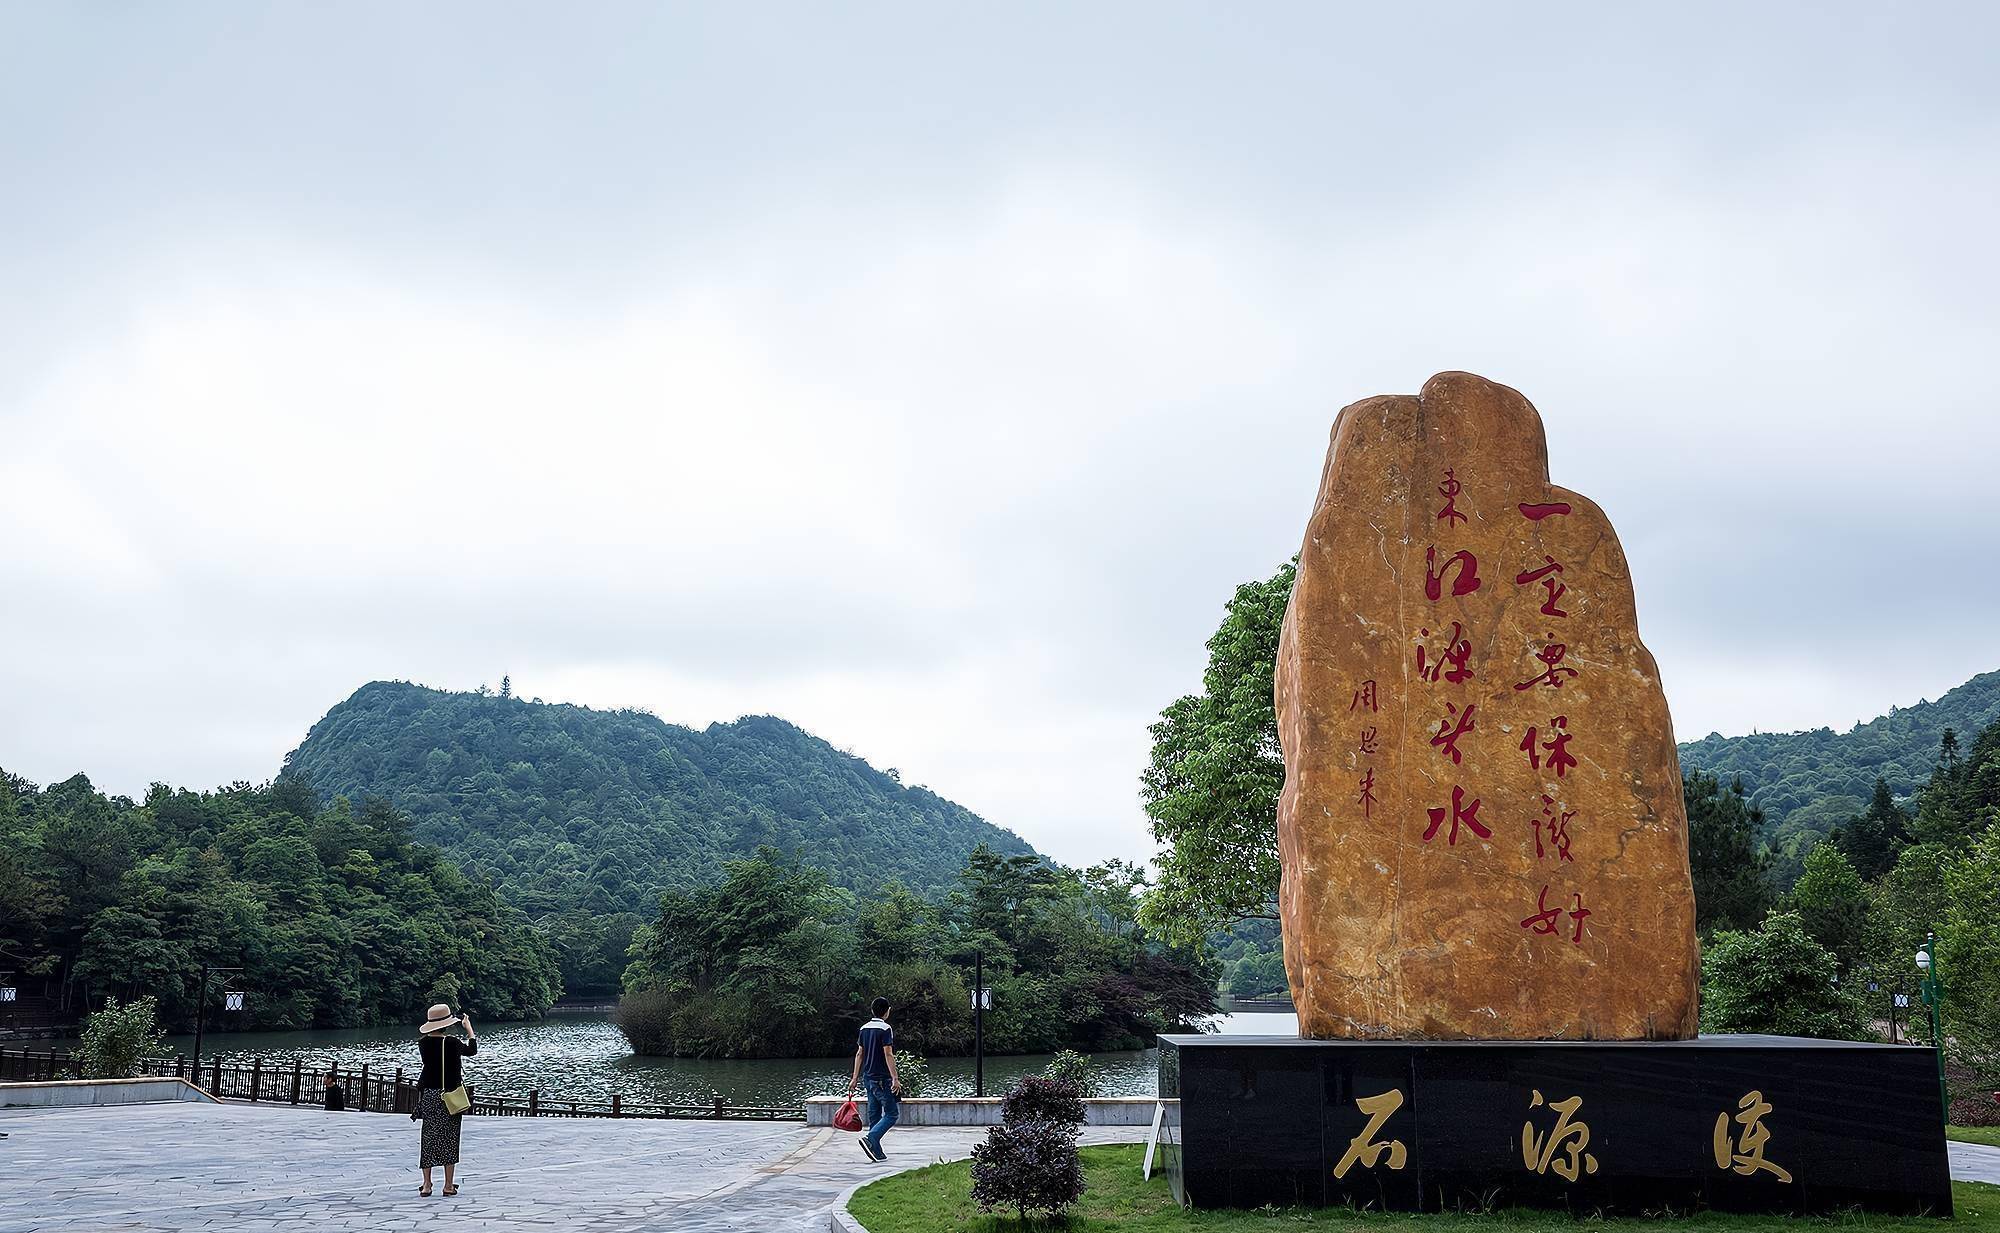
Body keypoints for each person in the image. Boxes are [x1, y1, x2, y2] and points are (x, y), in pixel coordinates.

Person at [412, 1003, 478, 1197]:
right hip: (450, 1095)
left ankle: (426, 1185)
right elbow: (471, 1050)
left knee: (429, 1138)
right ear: (447, 1024)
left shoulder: (422, 1043)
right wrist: (469, 1029)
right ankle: (448, 1185)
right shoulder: (452, 1042)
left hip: (430, 1095)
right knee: (450, 1138)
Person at [847, 996, 901, 1162]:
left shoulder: (864, 1028)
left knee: (875, 1115)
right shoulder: (885, 1029)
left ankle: (875, 1151)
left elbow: (859, 1053)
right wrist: (895, 1078)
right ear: (887, 1011)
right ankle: (871, 1138)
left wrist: (854, 1078)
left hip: (868, 1078)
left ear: (872, 1010)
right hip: (882, 1079)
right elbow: (888, 1053)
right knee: (892, 1114)